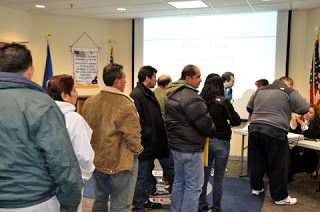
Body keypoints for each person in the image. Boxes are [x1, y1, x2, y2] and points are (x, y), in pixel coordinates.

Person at [0, 43, 83, 212]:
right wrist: (70, 201)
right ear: (31, 70)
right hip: (34, 200)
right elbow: (61, 159)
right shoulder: (42, 104)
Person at [82, 63, 143, 212]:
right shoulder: (126, 103)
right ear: (117, 81)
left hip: (97, 161)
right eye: (124, 78)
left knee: (100, 199)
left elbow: (87, 131)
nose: (126, 82)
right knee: (119, 204)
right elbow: (133, 136)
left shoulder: (89, 102)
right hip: (119, 162)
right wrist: (137, 152)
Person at [247, 76, 309, 205]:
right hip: (275, 131)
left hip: (254, 129)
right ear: (289, 84)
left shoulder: (260, 90)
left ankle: (256, 188)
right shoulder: (288, 91)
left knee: (256, 161)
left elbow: (249, 107)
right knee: (278, 165)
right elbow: (304, 108)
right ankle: (280, 197)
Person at [165, 64, 216, 212]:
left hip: (177, 148)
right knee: (194, 186)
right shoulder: (192, 97)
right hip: (191, 149)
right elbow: (206, 126)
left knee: (179, 182)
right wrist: (213, 128)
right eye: (198, 76)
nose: (201, 80)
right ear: (188, 78)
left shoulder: (173, 94)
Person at [47, 74, 95, 212]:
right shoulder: (74, 119)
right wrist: (85, 175)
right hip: (70, 181)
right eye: (74, 90)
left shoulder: (42, 115)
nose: (77, 93)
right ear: (65, 95)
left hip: (45, 182)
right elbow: (84, 155)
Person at [198, 74, 241, 212]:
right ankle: (216, 208)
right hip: (221, 141)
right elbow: (236, 120)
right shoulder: (223, 101)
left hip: (205, 141)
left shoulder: (200, 100)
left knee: (203, 176)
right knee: (219, 178)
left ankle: (201, 205)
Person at [130, 66, 169, 211]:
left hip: (152, 143)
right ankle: (138, 207)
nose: (156, 80)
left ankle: (145, 201)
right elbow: (137, 121)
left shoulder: (147, 93)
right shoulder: (137, 95)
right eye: (154, 77)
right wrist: (149, 133)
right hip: (145, 144)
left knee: (147, 175)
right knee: (141, 177)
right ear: (147, 78)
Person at [153, 74, 174, 192]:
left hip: (153, 133)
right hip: (165, 132)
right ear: (167, 85)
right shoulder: (168, 96)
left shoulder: (151, 94)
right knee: (168, 162)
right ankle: (172, 185)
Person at [288, 104, 320, 182]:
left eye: (310, 112)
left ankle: (287, 175)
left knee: (298, 159)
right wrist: (293, 126)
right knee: (288, 155)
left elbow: (312, 136)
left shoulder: (318, 124)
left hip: (311, 151)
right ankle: (287, 175)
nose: (307, 113)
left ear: (315, 115)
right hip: (299, 148)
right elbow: (291, 135)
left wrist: (304, 126)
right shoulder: (299, 120)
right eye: (306, 111)